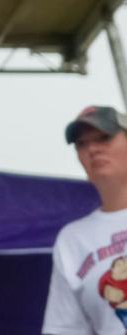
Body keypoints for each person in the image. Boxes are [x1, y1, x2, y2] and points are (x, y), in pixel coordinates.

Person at [43, 105, 127, 334]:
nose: (93, 149)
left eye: (104, 138)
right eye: (82, 143)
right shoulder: (73, 239)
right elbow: (64, 328)